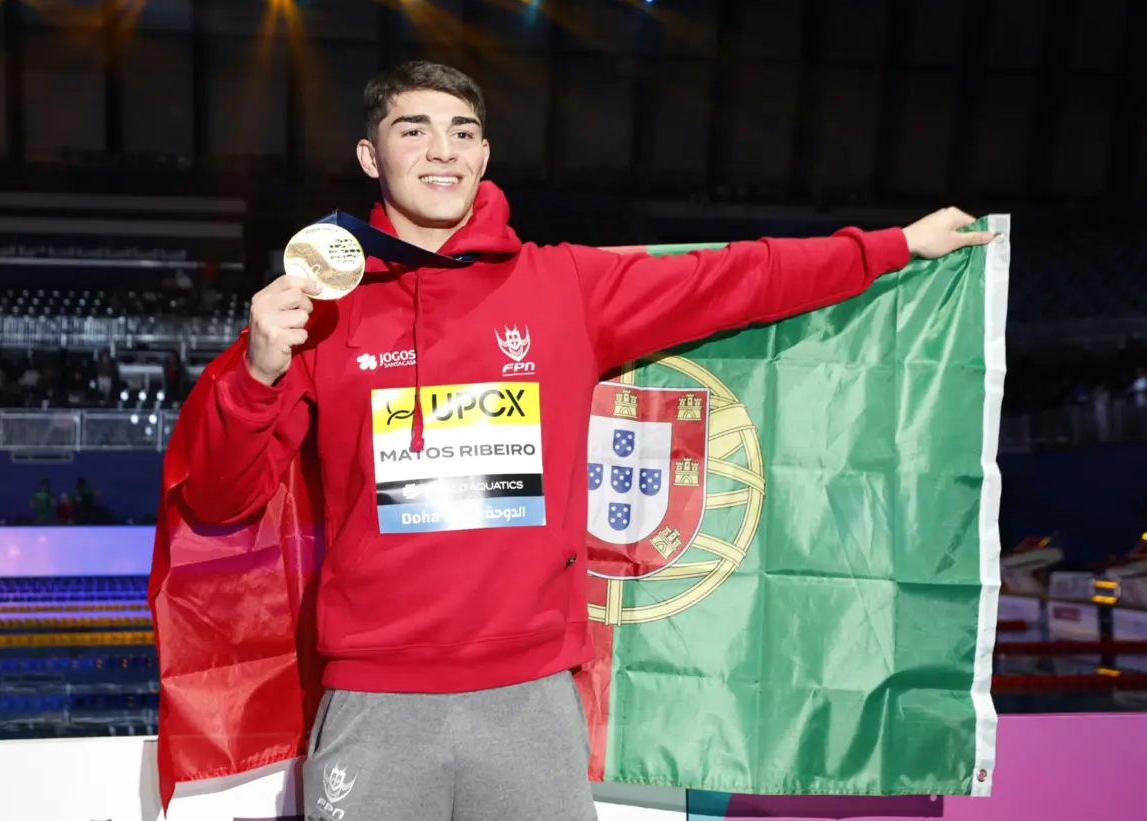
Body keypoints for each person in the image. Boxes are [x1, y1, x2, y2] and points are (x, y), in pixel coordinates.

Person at [178, 61, 994, 821]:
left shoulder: (564, 285)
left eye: (462, 131)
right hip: (376, 700)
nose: (441, 151)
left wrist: (891, 247)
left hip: (531, 699)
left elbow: (737, 274)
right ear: (369, 154)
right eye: (413, 129)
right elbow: (221, 498)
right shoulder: (319, 310)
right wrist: (256, 371)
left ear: (485, 153)